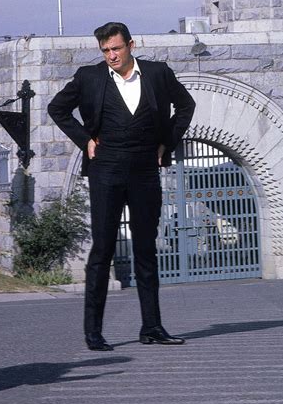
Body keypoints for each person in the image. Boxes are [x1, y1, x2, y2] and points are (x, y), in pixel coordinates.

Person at [48, 21, 196, 351]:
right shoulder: (90, 78)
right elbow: (56, 108)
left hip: (145, 169)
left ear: (131, 44)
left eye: (116, 48)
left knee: (146, 249)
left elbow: (186, 106)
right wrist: (84, 140)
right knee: (102, 250)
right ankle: (93, 332)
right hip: (106, 169)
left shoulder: (158, 73)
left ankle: (152, 327)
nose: (111, 56)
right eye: (105, 51)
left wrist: (166, 144)